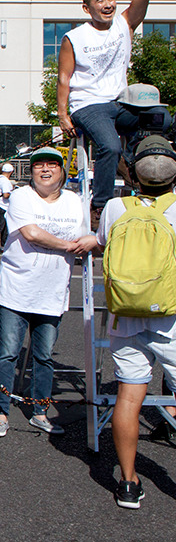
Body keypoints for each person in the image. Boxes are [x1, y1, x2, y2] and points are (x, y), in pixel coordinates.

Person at [0, 148, 98, 438]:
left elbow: (89, 237)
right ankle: (0, 413)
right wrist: (70, 245)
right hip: (16, 289)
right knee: (8, 354)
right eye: (39, 166)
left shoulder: (75, 201)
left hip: (53, 292)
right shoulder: (22, 196)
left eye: (52, 165)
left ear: (61, 171)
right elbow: (32, 234)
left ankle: (40, 411)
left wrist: (91, 242)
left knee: (44, 356)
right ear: (31, 172)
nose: (45, 170)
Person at [58, 0, 172, 229]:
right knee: (108, 145)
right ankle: (100, 206)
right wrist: (63, 115)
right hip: (88, 106)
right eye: (100, 1)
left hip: (120, 103)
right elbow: (64, 78)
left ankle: (142, 171)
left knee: (163, 118)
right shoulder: (75, 37)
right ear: (87, 7)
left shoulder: (124, 24)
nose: (107, 4)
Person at [95, 135, 176, 509]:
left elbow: (101, 242)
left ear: (134, 171)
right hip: (171, 317)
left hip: (125, 315)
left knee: (130, 395)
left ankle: (128, 482)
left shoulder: (114, 207)